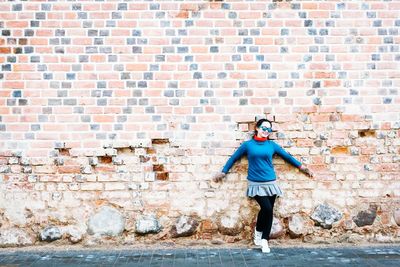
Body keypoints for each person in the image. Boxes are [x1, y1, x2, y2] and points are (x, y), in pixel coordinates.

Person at [213, 118, 313, 253]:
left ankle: (264, 240)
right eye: (264, 128)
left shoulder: (272, 145)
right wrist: (223, 172)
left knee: (269, 210)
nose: (266, 131)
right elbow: (233, 158)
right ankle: (259, 231)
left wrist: (302, 167)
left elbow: (287, 157)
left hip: (270, 182)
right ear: (257, 128)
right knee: (265, 208)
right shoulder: (248, 145)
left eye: (269, 129)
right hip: (255, 182)